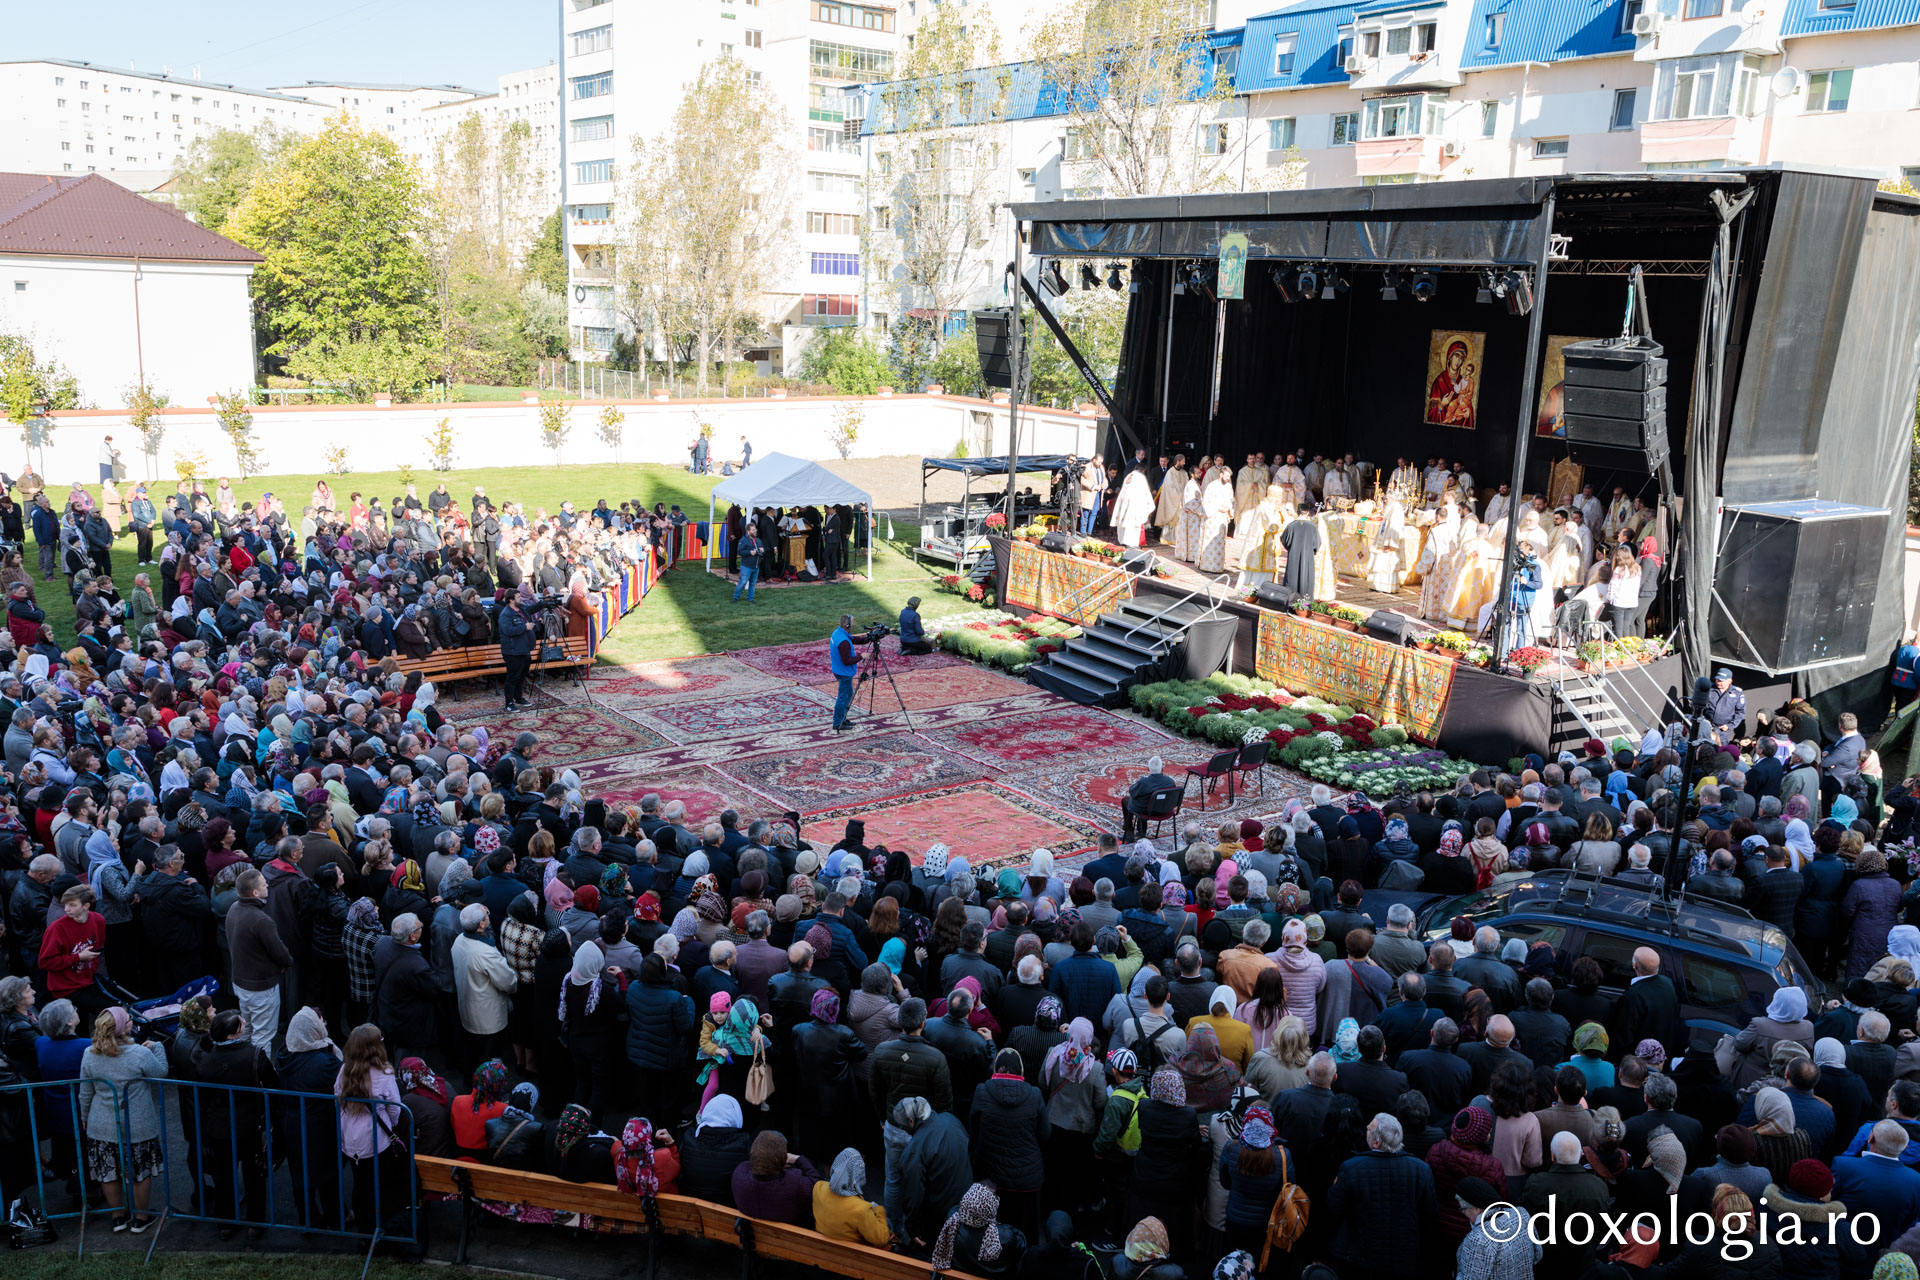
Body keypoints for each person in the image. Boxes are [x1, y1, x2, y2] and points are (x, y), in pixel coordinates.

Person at [78, 1007, 168, 1232]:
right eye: (128, 1019)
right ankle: (140, 1218)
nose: (131, 1020)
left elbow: (85, 1091)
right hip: (137, 1124)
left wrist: (84, 1116)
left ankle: (118, 1217)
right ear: (122, 1027)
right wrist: (158, 1047)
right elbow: (161, 1073)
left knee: (109, 1172)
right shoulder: (140, 1053)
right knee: (140, 1172)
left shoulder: (90, 1053)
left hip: (101, 1124)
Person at [497, 591, 535, 712]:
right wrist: (524, 627)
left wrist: (545, 603)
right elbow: (507, 630)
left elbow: (533, 608)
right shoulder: (506, 614)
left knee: (522, 675)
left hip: (524, 649)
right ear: (511, 600)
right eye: (518, 597)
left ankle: (518, 697)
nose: (521, 599)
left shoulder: (521, 609)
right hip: (512, 651)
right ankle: (509, 702)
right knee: (513, 677)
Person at [829, 613, 859, 732]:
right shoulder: (844, 642)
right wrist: (861, 656)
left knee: (848, 694)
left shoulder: (837, 633)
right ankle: (838, 722)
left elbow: (853, 639)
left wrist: (868, 638)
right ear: (848, 625)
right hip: (844, 672)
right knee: (843, 697)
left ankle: (842, 718)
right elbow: (847, 661)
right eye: (852, 622)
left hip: (838, 670)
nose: (853, 624)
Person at [734, 524, 764, 603]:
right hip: (746, 566)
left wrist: (762, 550)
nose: (755, 531)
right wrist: (750, 552)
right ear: (748, 531)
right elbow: (740, 551)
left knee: (753, 583)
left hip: (756, 566)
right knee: (743, 582)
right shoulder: (743, 540)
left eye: (755, 529)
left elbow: (762, 550)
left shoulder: (758, 540)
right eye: (753, 530)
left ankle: (750, 599)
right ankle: (735, 597)